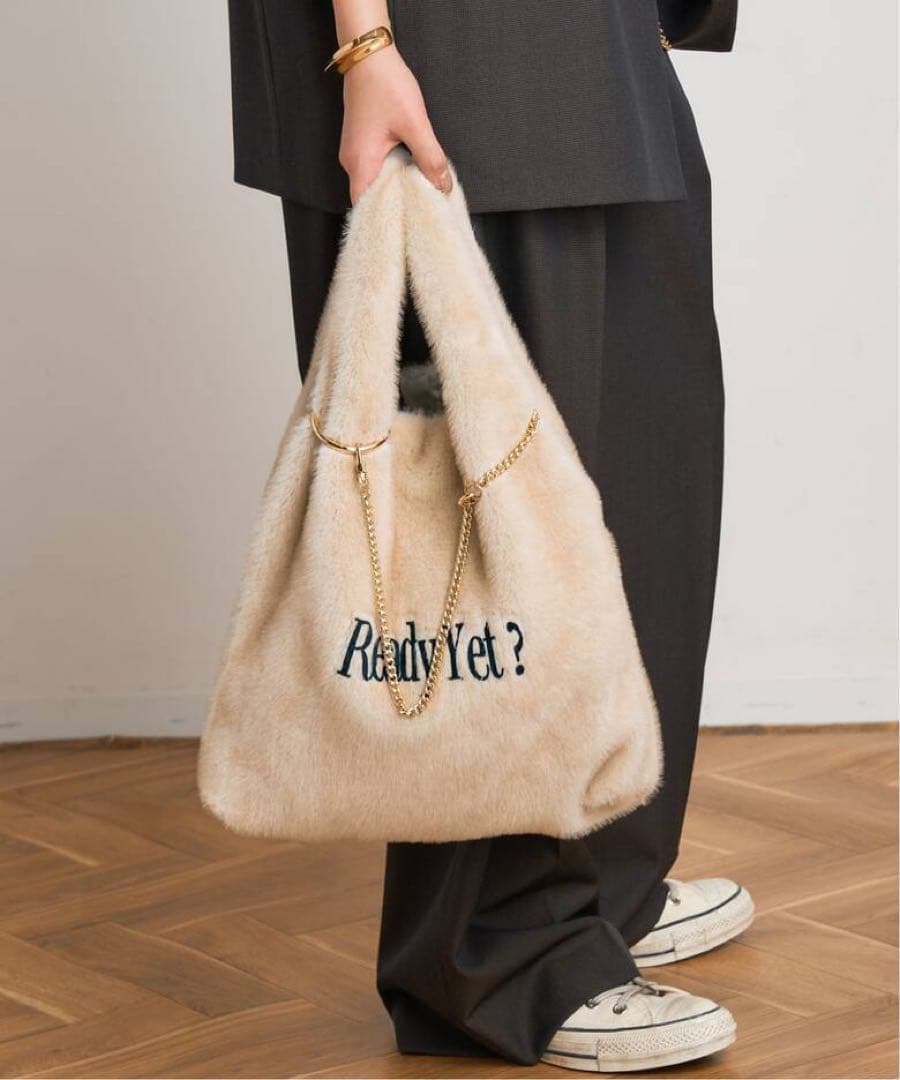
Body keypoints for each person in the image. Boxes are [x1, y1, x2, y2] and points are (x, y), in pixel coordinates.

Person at [227, 1, 753, 1071]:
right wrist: (366, 44)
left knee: (645, 469)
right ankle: (497, 952)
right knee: (473, 527)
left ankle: (599, 890)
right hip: (446, 50)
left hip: (587, 44)